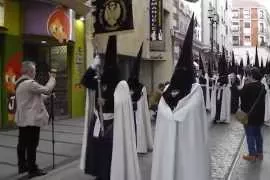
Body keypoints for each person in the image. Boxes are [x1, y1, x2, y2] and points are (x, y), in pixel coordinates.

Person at [151, 15, 210, 180]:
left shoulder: (195, 90)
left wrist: (175, 115)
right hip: (169, 142)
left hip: (188, 146)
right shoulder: (169, 90)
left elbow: (191, 112)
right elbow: (162, 108)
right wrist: (172, 115)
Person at [80, 36, 141, 180]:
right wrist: (92, 66)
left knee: (110, 152)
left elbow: (122, 105)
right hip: (98, 121)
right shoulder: (99, 80)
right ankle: (99, 174)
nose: (108, 69)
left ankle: (109, 174)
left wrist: (107, 101)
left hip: (112, 125)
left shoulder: (121, 85)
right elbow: (85, 81)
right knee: (97, 150)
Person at [15, 61, 56, 178]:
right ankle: (32, 169)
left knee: (22, 143)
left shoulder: (19, 83)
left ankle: (22, 166)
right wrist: (52, 79)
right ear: (29, 71)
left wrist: (48, 97)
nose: (35, 72)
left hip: (23, 118)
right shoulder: (29, 83)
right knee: (32, 144)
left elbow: (36, 97)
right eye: (34, 70)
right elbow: (47, 89)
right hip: (31, 119)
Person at [128, 43, 153, 153]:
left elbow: (143, 104)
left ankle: (138, 145)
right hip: (130, 112)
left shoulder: (141, 88)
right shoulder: (127, 86)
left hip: (137, 112)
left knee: (137, 126)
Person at [240, 67, 266, 161]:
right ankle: (260, 154)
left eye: (248, 75)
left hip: (249, 116)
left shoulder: (248, 86)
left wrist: (245, 85)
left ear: (251, 76)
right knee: (258, 134)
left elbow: (242, 100)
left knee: (250, 135)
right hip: (259, 115)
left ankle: (252, 154)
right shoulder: (262, 86)